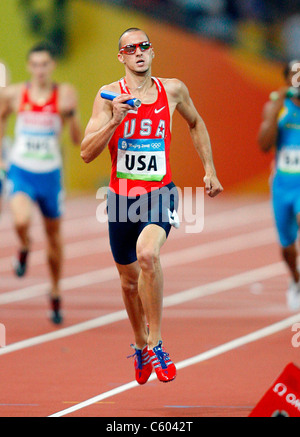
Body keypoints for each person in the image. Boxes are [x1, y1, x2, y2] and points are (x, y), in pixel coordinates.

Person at [81, 27, 223, 384]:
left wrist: (210, 170)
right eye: (130, 48)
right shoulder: (107, 96)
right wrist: (114, 120)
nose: (139, 52)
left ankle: (157, 343)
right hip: (120, 200)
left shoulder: (172, 89)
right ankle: (140, 344)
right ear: (121, 57)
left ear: (152, 52)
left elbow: (196, 123)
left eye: (144, 46)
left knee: (148, 255)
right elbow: (86, 153)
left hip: (160, 193)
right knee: (129, 283)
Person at [0, 41, 82, 324]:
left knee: (54, 239)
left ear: (52, 66)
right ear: (28, 67)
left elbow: (76, 139)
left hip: (50, 175)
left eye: (44, 64)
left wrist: (71, 116)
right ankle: (23, 247)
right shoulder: (14, 94)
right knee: (21, 221)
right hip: (22, 170)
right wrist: (1, 157)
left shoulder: (65, 94)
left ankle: (56, 292)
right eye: (34, 65)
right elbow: (0, 119)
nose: (39, 70)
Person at [258, 59, 300, 311]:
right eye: (294, 74)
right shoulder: (277, 107)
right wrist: (275, 109)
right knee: (286, 245)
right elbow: (263, 144)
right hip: (283, 184)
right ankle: (295, 280)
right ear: (286, 80)